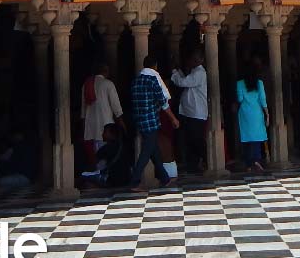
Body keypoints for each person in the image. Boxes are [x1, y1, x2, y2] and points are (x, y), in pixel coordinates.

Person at [127, 55, 173, 191]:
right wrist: (173, 118)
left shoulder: (136, 81)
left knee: (154, 150)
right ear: (155, 66)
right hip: (151, 120)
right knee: (147, 151)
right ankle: (135, 181)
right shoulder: (152, 80)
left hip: (139, 120)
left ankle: (164, 178)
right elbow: (163, 101)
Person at [169, 50, 209, 174]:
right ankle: (193, 165)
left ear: (201, 60)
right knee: (190, 140)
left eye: (196, 58)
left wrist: (175, 71)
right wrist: (178, 69)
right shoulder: (194, 72)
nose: (193, 61)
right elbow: (185, 79)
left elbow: (182, 82)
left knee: (196, 139)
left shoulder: (199, 73)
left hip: (196, 113)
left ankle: (204, 161)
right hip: (190, 112)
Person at [82, 62, 122, 164]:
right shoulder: (108, 84)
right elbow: (116, 108)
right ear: (106, 72)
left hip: (90, 128)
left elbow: (83, 110)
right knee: (106, 157)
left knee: (95, 158)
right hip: (106, 129)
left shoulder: (86, 85)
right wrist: (121, 123)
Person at [235, 60, 269, 173]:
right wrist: (267, 114)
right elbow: (263, 100)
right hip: (256, 112)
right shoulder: (259, 83)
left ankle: (248, 163)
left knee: (246, 137)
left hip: (245, 113)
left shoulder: (240, 83)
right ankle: (256, 160)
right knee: (257, 137)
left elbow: (240, 99)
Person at [81, 122, 129, 187]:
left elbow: (93, 163)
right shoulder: (124, 146)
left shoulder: (106, 148)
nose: (102, 134)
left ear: (112, 135)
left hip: (112, 181)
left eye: (105, 132)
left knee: (84, 178)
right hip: (126, 180)